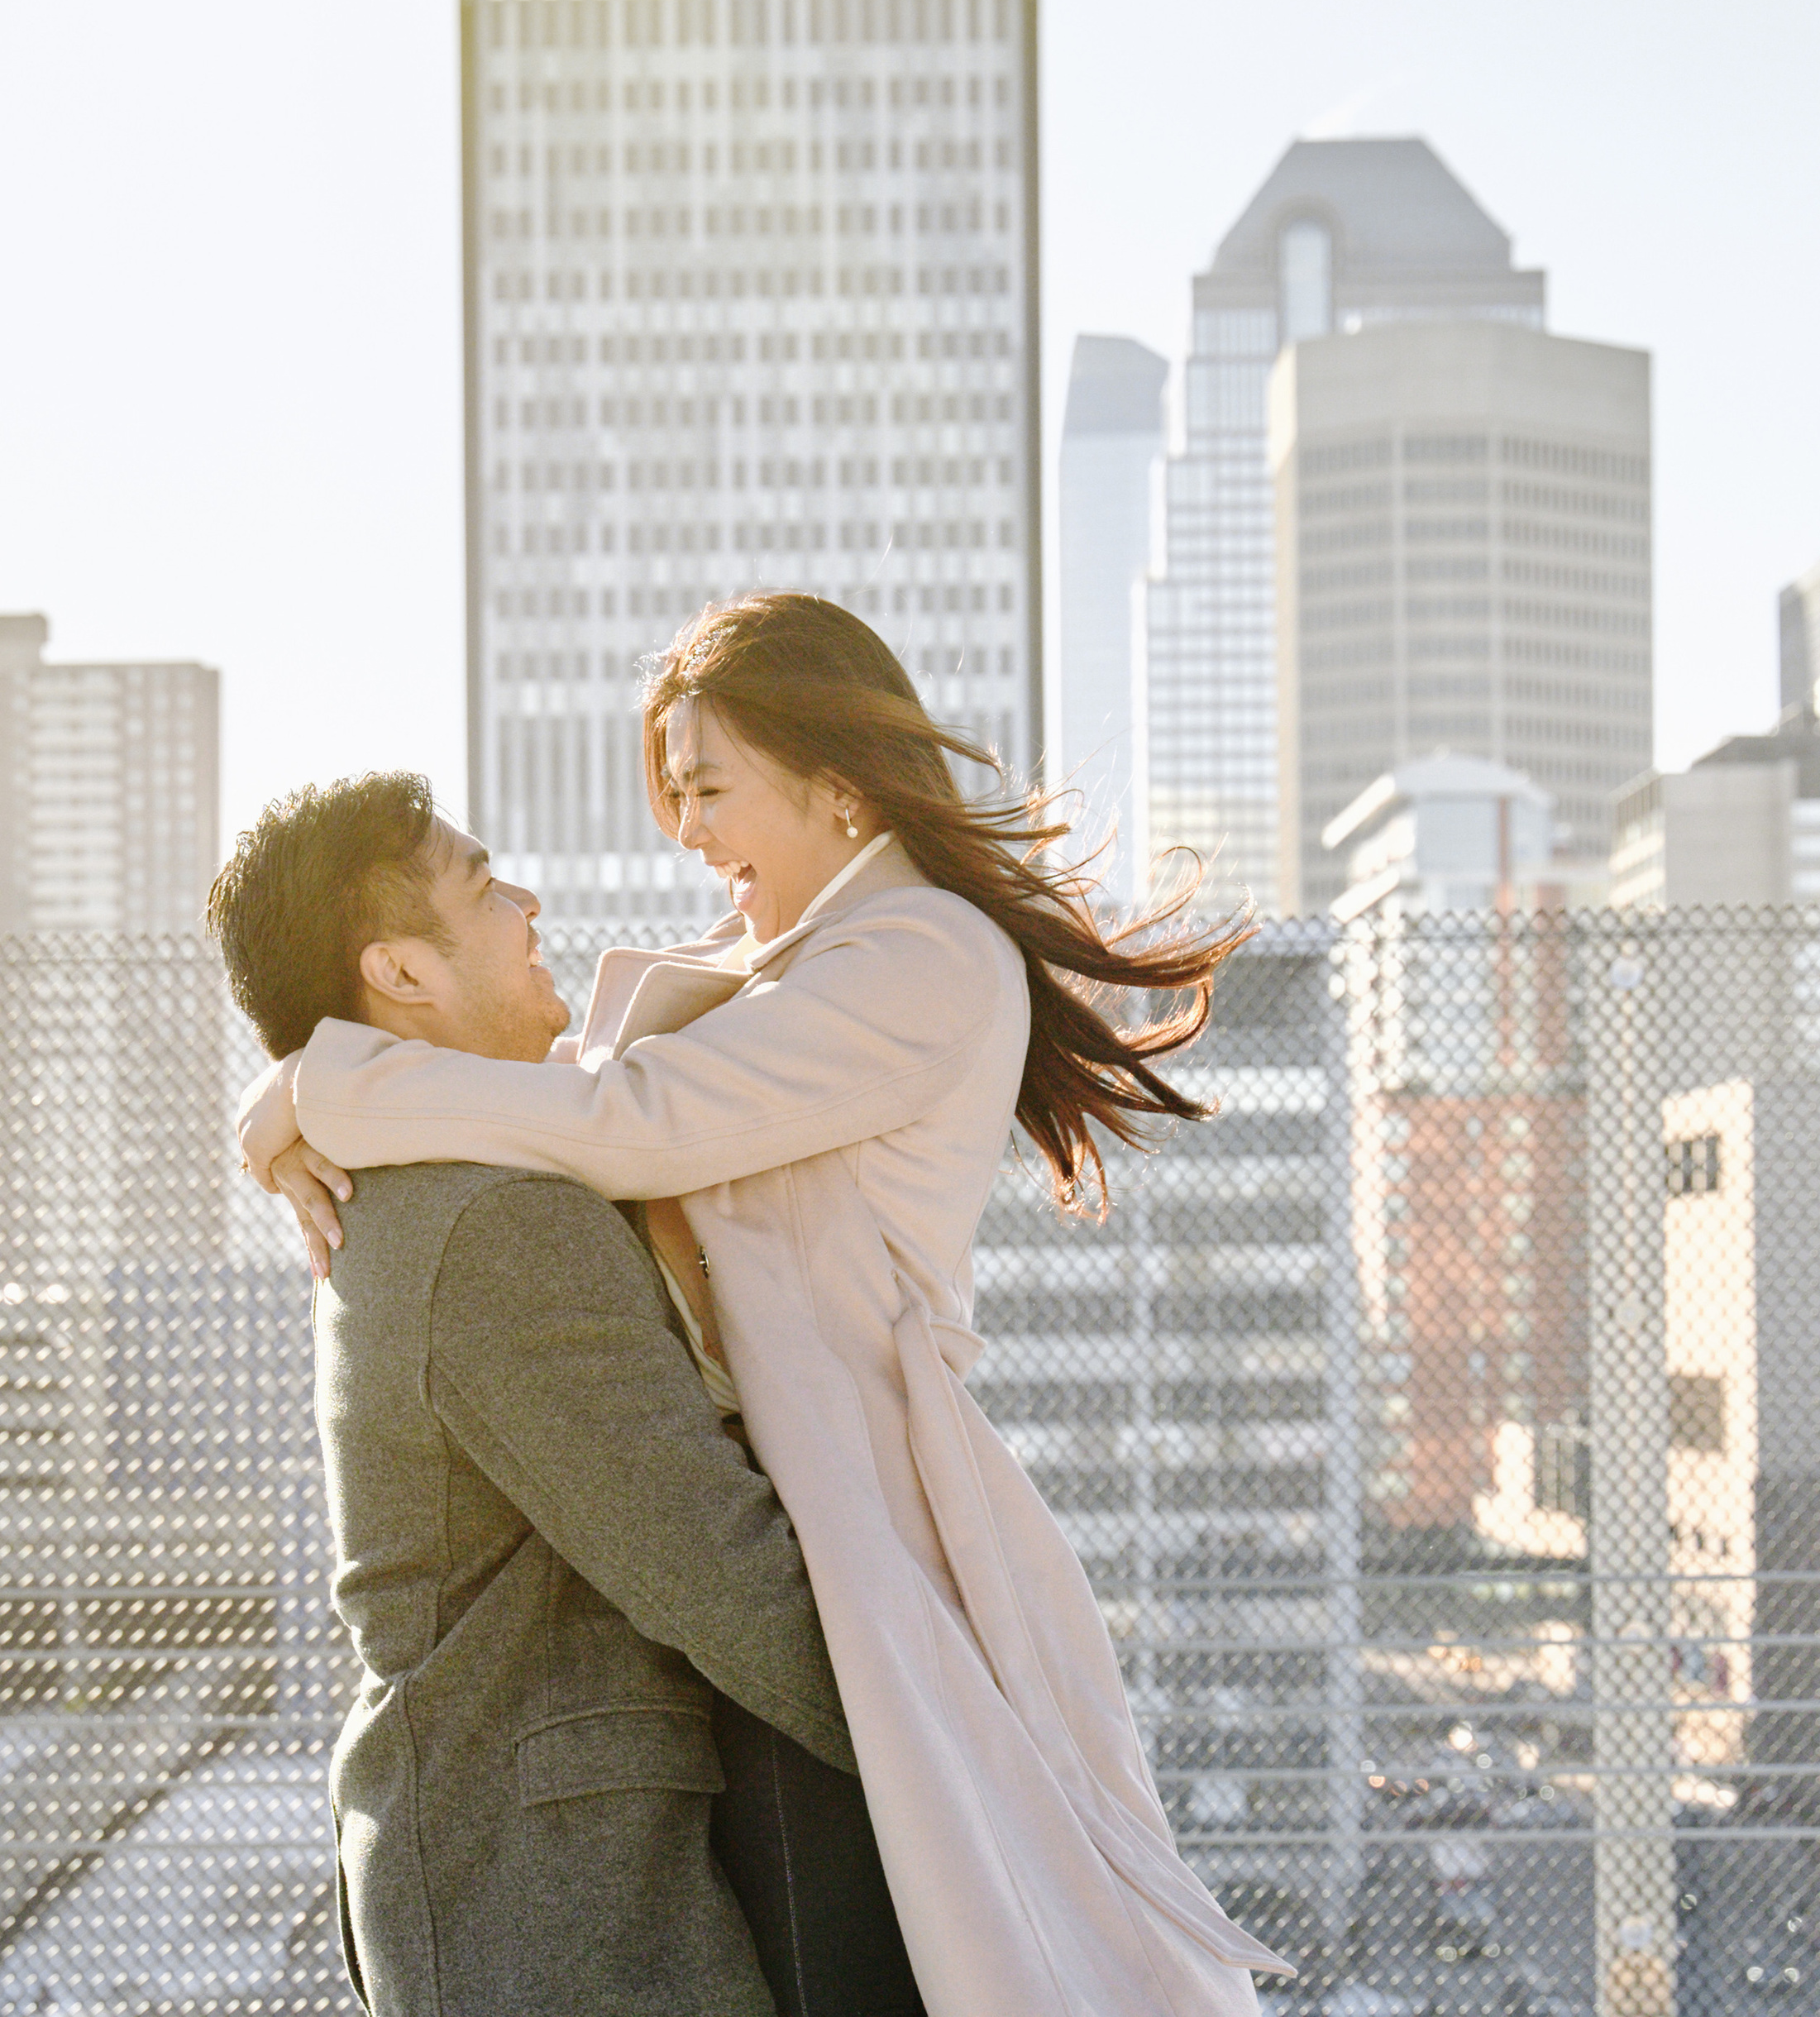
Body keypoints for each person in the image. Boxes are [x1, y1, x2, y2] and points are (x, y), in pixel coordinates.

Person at [241, 592, 1291, 2017]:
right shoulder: (763, 992)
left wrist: (323, 1084)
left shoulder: (917, 956)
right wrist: (305, 1078)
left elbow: (630, 1114)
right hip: (789, 1604)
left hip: (852, 1536)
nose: (681, 828)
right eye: (672, 790)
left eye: (707, 786)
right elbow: (596, 1111)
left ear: (840, 782)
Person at [208, 769, 925, 2017]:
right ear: (404, 973)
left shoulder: (445, 1182)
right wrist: (959, 1755)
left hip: (525, 1884)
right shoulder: (492, 1222)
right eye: (484, 887)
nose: (529, 901)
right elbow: (716, 1563)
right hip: (556, 1910)